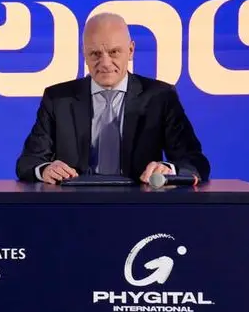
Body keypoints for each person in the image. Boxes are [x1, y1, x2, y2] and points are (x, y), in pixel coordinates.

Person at [16, 13, 209, 184]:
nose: (105, 63)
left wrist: (168, 169)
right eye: (95, 54)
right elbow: (28, 162)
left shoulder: (160, 97)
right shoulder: (58, 99)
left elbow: (195, 162)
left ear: (131, 51)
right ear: (84, 54)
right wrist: (45, 169)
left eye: (114, 52)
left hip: (139, 205)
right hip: (75, 205)